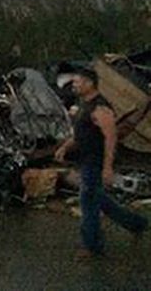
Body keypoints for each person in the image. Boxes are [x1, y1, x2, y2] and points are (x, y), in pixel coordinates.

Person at [55, 67, 147, 257]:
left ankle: (93, 246)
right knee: (98, 198)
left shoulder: (100, 108)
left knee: (88, 202)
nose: (74, 85)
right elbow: (81, 133)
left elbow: (111, 137)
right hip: (85, 158)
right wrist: (65, 147)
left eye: (77, 82)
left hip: (95, 161)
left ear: (89, 83)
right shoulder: (84, 105)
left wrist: (107, 167)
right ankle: (136, 223)